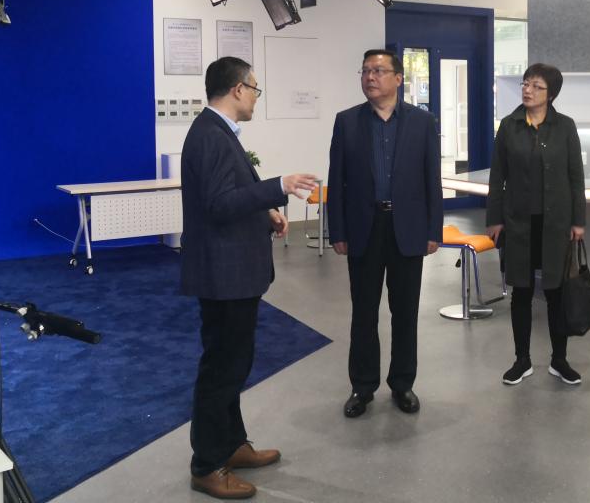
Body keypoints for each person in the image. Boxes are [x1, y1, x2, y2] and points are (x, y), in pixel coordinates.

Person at [180, 56, 318, 500]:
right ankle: (207, 465)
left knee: (233, 363)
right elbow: (219, 205)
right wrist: (278, 186)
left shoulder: (217, 132)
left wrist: (266, 213)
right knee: (222, 369)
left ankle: (232, 444)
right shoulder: (211, 136)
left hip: (231, 272)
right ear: (238, 89)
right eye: (255, 88)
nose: (257, 97)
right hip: (224, 276)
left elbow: (230, 197)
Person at [327, 49, 442, 418]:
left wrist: (433, 229)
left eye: (378, 70)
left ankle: (403, 383)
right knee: (364, 313)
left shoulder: (422, 122)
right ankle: (362, 387)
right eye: (365, 71)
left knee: (405, 312)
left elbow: (432, 180)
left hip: (407, 227)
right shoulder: (347, 122)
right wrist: (337, 230)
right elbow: (337, 181)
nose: (370, 77)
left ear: (398, 78)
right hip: (364, 228)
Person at [487, 63, 587, 386]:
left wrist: (579, 220)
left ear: (551, 94)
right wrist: (494, 218)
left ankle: (560, 360)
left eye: (536, 86)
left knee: (556, 291)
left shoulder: (565, 126)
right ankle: (522, 359)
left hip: (556, 223)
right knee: (522, 291)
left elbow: (576, 177)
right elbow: (497, 176)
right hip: (518, 223)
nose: (528, 90)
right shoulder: (509, 126)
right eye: (525, 84)